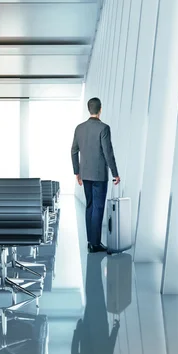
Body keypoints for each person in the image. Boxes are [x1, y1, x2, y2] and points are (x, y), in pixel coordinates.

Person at [71, 97, 120, 253]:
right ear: (100, 109)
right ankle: (95, 243)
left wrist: (77, 172)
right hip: (99, 175)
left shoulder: (79, 128)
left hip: (85, 174)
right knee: (98, 208)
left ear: (89, 109)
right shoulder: (104, 128)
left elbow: (73, 150)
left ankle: (90, 241)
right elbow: (108, 153)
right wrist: (115, 173)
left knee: (90, 206)